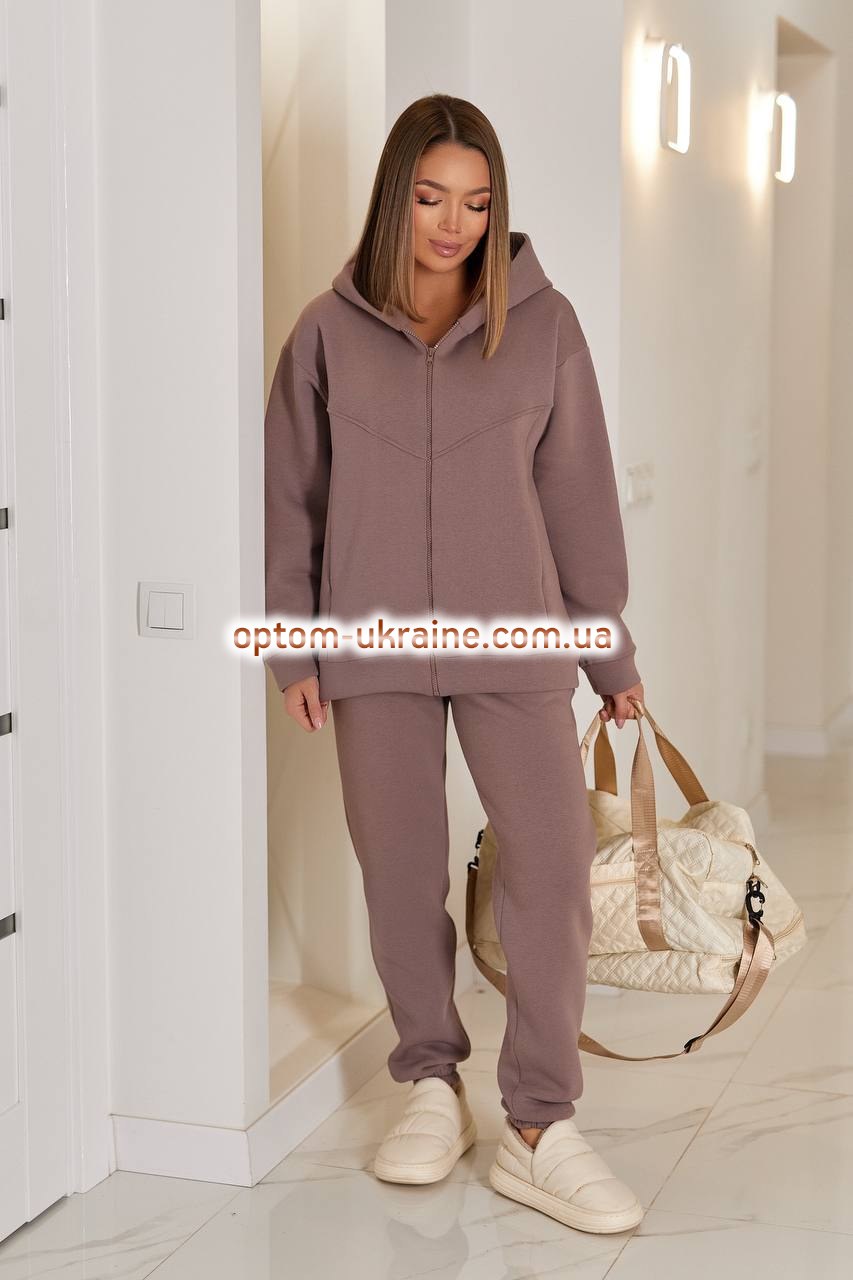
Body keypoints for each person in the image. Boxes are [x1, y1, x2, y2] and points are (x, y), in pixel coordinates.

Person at [263, 94, 645, 1235]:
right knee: (397, 876)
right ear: (396, 197)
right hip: (370, 646)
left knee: (552, 872)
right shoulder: (326, 334)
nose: (453, 225)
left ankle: (538, 1121)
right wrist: (293, 643)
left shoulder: (544, 326)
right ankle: (431, 1079)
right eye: (431, 198)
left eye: (476, 203)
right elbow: (291, 501)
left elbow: (577, 499)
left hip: (517, 641)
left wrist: (607, 649)